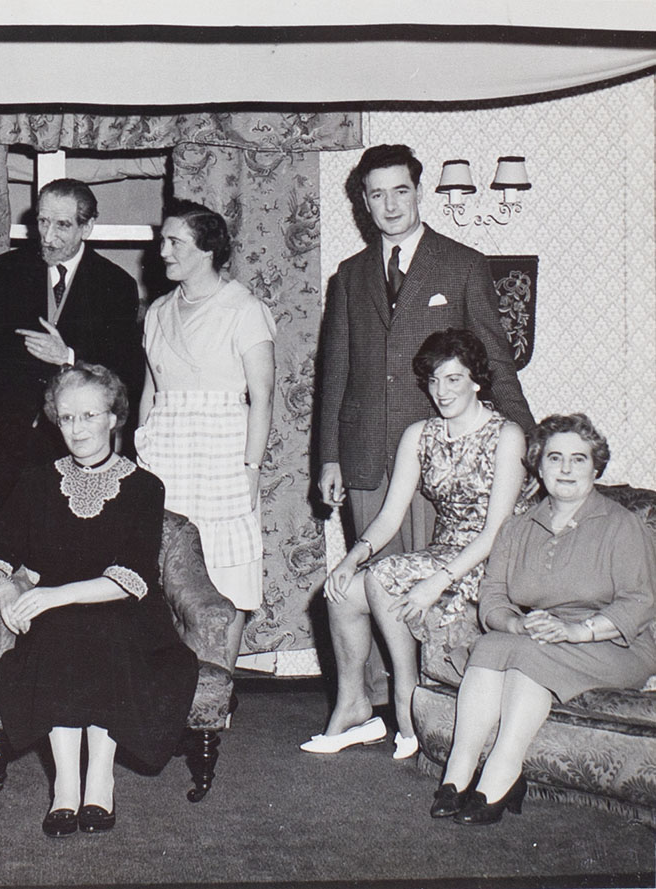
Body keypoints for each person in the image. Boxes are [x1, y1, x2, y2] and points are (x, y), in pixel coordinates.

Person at [318, 143, 534, 706]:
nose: (390, 205)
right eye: (376, 194)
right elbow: (335, 369)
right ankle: (377, 699)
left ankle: (431, 700)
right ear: (363, 203)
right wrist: (329, 457)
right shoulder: (348, 275)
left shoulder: (461, 263)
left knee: (430, 585)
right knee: (371, 578)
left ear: (418, 192)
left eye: (401, 191)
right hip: (365, 451)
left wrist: (527, 442)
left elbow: (495, 357)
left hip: (442, 455)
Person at [0, 364, 197, 837]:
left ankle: (100, 780)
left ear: (114, 418)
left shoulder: (143, 487)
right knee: (59, 632)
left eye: (88, 416)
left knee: (103, 630)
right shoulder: (35, 483)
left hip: (127, 612)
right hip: (57, 613)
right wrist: (10, 589)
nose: (77, 429)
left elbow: (132, 576)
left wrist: (52, 596)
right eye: (67, 417)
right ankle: (65, 788)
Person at [302, 329, 528, 759]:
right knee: (341, 591)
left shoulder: (506, 435)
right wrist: (350, 559)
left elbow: (497, 531)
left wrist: (434, 582)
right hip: (444, 552)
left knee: (384, 577)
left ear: (477, 380)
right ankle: (354, 706)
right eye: (433, 381)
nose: (441, 392)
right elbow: (389, 516)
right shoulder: (421, 434)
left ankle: (407, 701)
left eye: (453, 379)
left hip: (492, 560)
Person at [432, 414, 656, 825]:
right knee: (493, 643)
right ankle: (458, 774)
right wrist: (516, 624)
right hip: (539, 634)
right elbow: (494, 596)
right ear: (539, 464)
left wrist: (575, 631)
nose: (566, 469)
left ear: (596, 467)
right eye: (555, 458)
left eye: (578, 459)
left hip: (613, 642)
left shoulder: (623, 525)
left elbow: (640, 604)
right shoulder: (516, 528)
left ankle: (501, 772)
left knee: (531, 654)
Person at [137, 199, 275, 663]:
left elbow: (262, 396)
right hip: (166, 451)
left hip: (222, 452)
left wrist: (251, 468)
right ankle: (175, 692)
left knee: (225, 573)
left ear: (206, 250)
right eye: (163, 241)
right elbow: (149, 393)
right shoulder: (157, 311)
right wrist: (140, 458)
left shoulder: (244, 309)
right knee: (166, 571)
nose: (163, 251)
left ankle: (216, 689)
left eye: (174, 241)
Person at [0, 178, 142, 517]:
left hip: (76, 443)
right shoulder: (6, 272)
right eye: (42, 222)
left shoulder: (116, 285)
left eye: (62, 225)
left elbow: (126, 372)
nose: (47, 236)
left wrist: (69, 357)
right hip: (7, 444)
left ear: (87, 226)